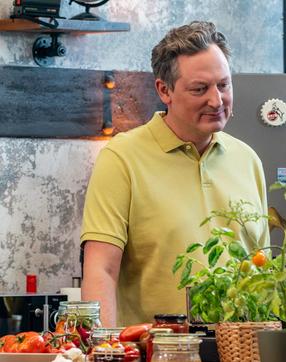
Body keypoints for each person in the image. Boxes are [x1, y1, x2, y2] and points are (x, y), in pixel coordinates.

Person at [80, 21, 269, 327]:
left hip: (241, 350)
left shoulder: (247, 160)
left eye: (223, 84)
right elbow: (101, 270)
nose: (216, 101)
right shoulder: (121, 158)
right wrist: (107, 350)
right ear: (164, 90)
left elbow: (262, 271)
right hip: (157, 353)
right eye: (200, 89)